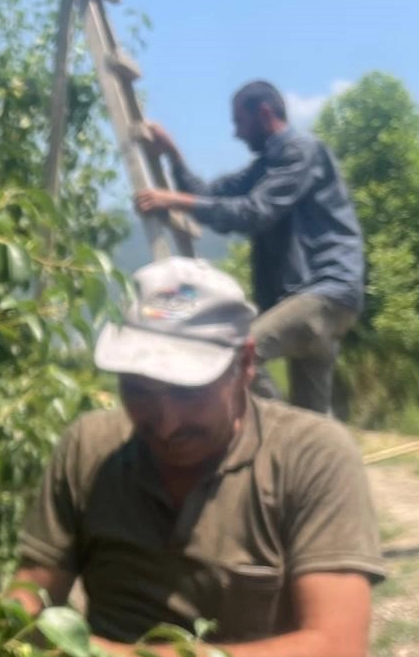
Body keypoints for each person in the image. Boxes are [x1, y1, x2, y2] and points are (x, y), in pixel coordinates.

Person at [7, 257, 385, 657]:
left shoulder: (310, 458)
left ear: (245, 364)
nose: (164, 422)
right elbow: (30, 595)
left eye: (188, 393)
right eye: (138, 391)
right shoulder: (89, 450)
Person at [133, 80, 366, 417]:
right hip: (319, 297)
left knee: (233, 352)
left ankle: (276, 428)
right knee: (311, 420)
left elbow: (255, 212)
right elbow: (211, 195)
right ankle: (300, 443)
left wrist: (174, 201)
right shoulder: (266, 166)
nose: (236, 133)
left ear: (264, 113)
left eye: (239, 122)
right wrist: (174, 156)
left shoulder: (301, 152)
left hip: (324, 292)